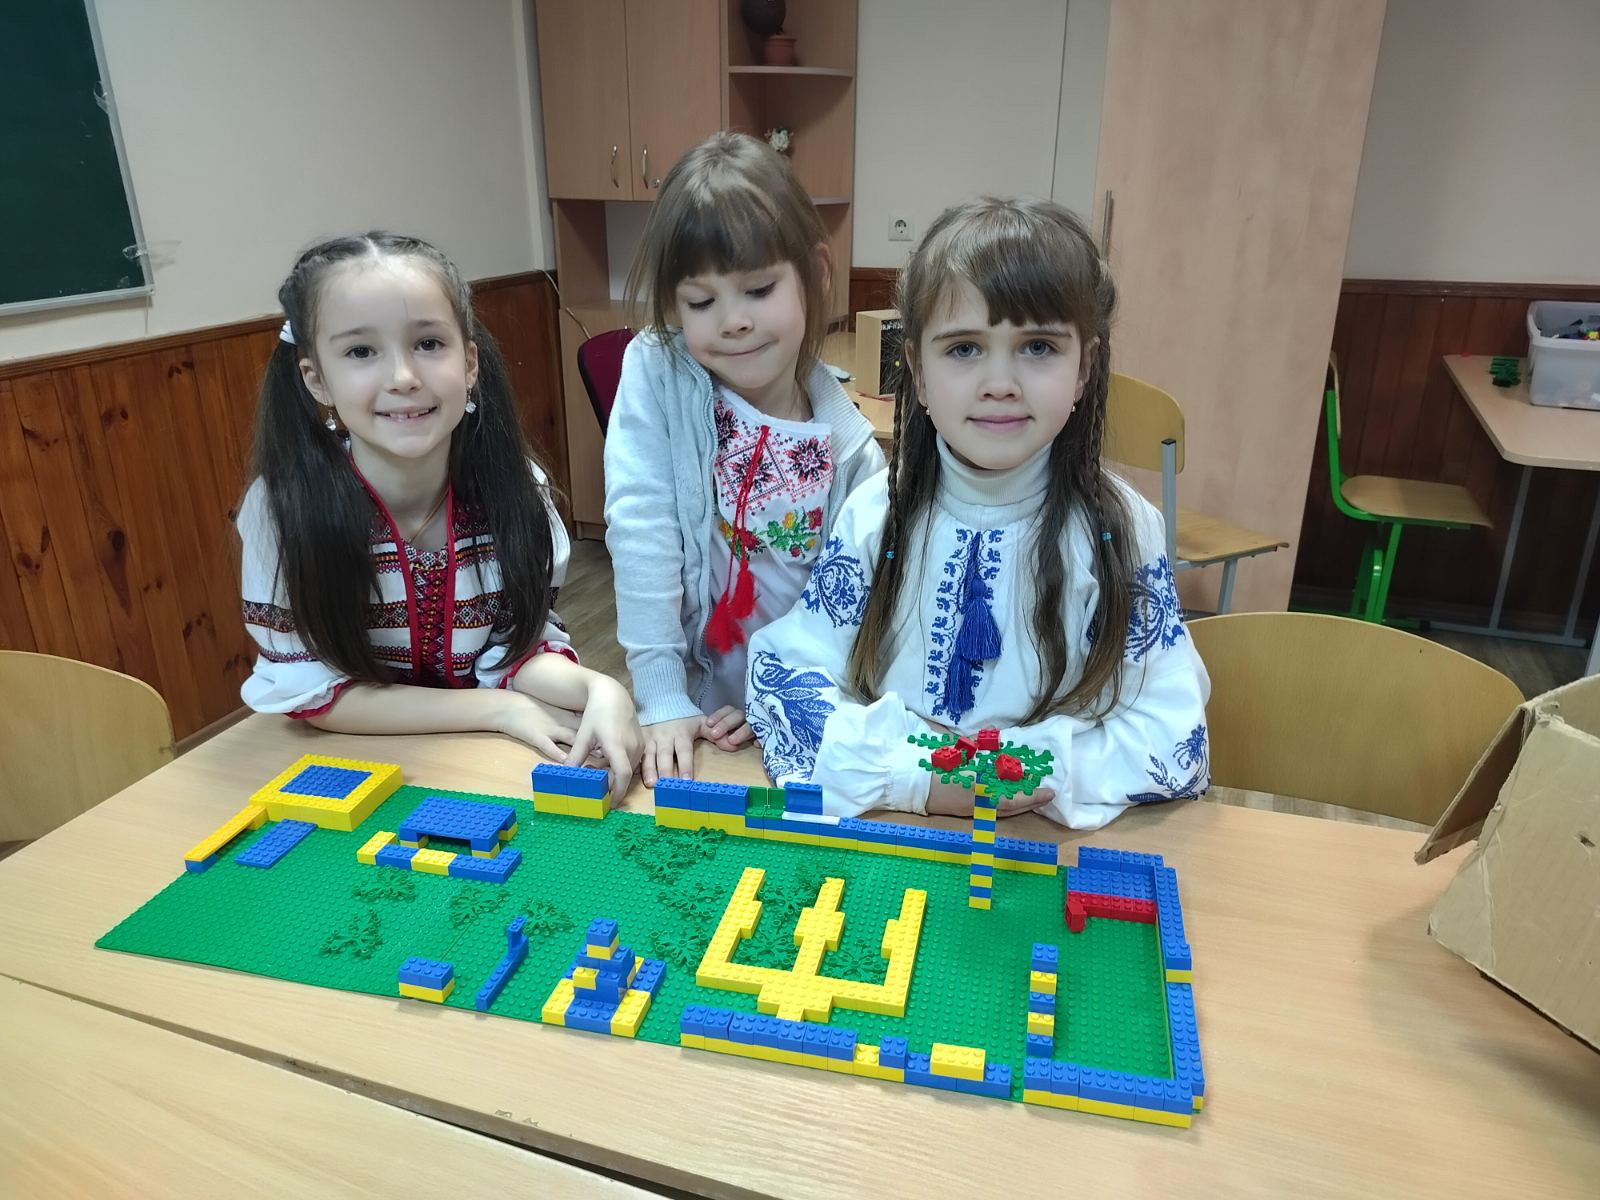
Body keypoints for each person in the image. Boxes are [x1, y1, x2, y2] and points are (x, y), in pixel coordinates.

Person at [745, 198, 1211, 827]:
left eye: (1038, 346)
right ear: (916, 368)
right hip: (893, 833)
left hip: (1049, 848)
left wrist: (1024, 770)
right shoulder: (878, 512)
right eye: (965, 349)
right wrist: (916, 776)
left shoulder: (1121, 531)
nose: (1000, 382)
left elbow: (1174, 740)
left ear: (1084, 368)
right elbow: (784, 672)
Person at [238, 232, 641, 797]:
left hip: (479, 767)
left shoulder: (517, 491)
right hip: (344, 768)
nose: (403, 377)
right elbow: (317, 695)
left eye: (428, 343)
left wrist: (599, 688)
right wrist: (500, 710)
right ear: (317, 380)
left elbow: (514, 651)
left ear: (469, 363)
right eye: (361, 352)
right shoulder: (281, 511)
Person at [604, 133, 885, 786]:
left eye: (758, 290)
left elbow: (856, 615)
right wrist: (661, 694)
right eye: (701, 303)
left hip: (797, 720)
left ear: (816, 275)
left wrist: (787, 704)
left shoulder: (853, 454)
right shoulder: (659, 373)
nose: (732, 321)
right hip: (684, 711)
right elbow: (643, 529)